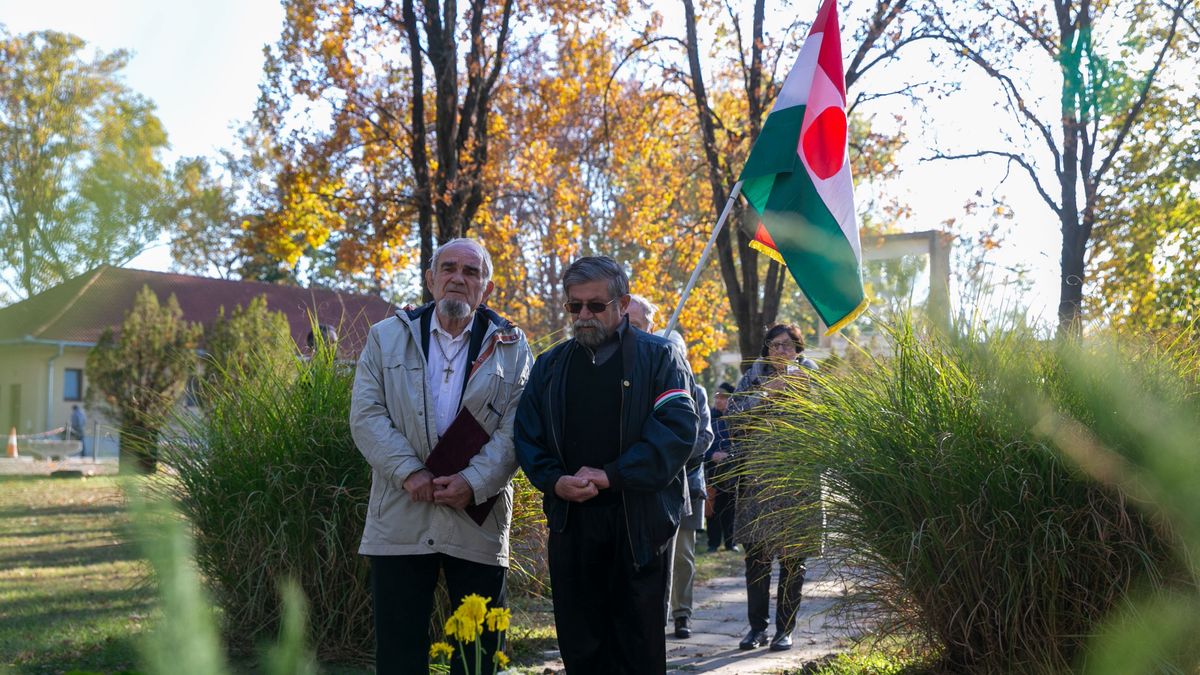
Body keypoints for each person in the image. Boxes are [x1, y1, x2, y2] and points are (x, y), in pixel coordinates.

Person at [350, 238, 533, 675]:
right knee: (399, 651)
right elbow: (366, 415)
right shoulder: (386, 336)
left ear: (486, 288)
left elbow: (518, 428)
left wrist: (474, 481)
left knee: (477, 655)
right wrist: (408, 471)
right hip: (402, 510)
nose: (458, 278)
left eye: (471, 272)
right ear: (431, 280)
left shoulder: (513, 345)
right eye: (448, 268)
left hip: (477, 517)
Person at [514, 257, 698, 674]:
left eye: (595, 306)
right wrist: (553, 480)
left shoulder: (660, 357)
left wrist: (612, 474)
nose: (583, 316)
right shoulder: (550, 365)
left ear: (623, 303)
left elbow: (677, 431)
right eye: (573, 306)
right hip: (571, 524)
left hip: (638, 526)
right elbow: (527, 436)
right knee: (581, 647)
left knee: (637, 649)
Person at [626, 294, 714, 640]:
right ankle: (652, 617)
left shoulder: (697, 391)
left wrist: (666, 454)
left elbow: (702, 437)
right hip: (643, 485)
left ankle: (682, 614)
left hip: (686, 483)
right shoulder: (645, 379)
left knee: (683, 557)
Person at [728, 324, 819, 652]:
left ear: (799, 349)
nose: (782, 351)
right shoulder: (752, 378)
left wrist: (802, 395)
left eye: (789, 346)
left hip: (798, 485)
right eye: (776, 345)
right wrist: (768, 392)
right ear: (766, 348)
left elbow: (827, 423)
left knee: (795, 560)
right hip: (757, 483)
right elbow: (733, 417)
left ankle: (785, 629)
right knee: (757, 558)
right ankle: (757, 629)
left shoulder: (811, 380)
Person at [704, 382, 737, 553]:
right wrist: (711, 456)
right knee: (712, 506)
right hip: (712, 470)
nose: (719, 401)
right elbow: (702, 443)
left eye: (723, 398)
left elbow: (742, 444)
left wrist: (730, 456)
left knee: (731, 507)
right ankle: (713, 543)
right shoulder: (708, 417)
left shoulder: (737, 419)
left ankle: (731, 543)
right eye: (717, 397)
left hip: (733, 470)